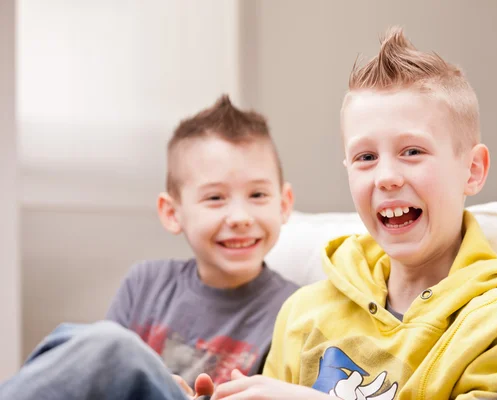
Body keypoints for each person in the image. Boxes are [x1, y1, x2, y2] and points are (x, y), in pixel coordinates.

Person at [204, 27, 497, 400]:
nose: (386, 177)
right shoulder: (304, 313)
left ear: (473, 170)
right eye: (366, 157)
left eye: (412, 151)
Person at [0, 95, 298, 400]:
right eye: (215, 198)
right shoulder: (146, 282)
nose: (240, 218)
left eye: (258, 195)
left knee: (109, 346)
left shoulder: (297, 310)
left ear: (284, 204)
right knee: (76, 342)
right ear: (172, 213)